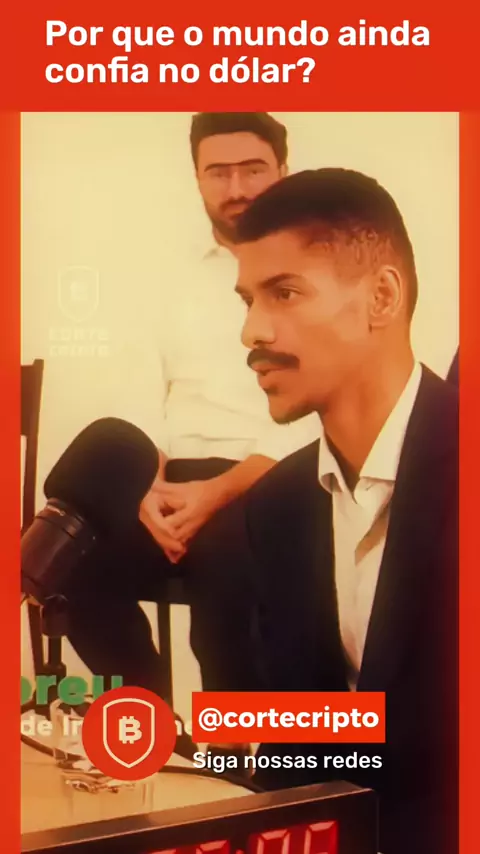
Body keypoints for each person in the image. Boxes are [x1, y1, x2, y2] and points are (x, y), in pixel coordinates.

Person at [190, 169, 458, 853]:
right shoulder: (276, 507)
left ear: (382, 297)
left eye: (284, 293)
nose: (251, 331)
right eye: (247, 300)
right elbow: (305, 747)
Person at [64, 113, 318, 755]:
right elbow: (141, 391)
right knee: (76, 567)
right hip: (172, 477)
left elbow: (318, 405)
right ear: (198, 179)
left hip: (271, 476)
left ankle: (240, 760)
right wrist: (146, 487)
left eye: (253, 169)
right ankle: (157, 732)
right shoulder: (169, 275)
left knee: (230, 578)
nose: (237, 188)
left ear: (283, 170)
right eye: (219, 172)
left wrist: (218, 494)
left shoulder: (319, 269)